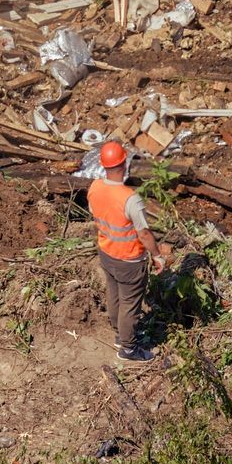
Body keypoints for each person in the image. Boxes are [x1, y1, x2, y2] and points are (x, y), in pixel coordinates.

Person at [88, 140, 169, 362]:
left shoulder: (95, 187)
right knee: (130, 305)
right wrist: (157, 255)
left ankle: (118, 333)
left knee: (114, 295)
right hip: (129, 261)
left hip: (106, 253)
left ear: (104, 165)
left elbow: (96, 213)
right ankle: (129, 348)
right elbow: (144, 234)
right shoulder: (129, 199)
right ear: (124, 164)